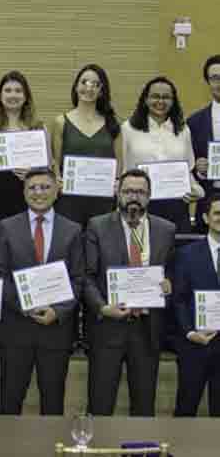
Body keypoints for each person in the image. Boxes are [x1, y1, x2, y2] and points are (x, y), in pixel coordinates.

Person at [84, 168, 175, 416]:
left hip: (148, 329)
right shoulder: (97, 226)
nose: (134, 197)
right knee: (100, 404)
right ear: (117, 193)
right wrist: (103, 307)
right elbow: (87, 276)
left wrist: (169, 284)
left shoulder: (166, 229)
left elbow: (172, 273)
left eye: (140, 192)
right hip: (108, 328)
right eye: (128, 191)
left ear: (149, 196)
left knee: (144, 407)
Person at [0, 169, 84, 415]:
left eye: (45, 187)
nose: (38, 193)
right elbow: (1, 276)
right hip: (16, 330)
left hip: (55, 332)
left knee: (53, 405)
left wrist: (58, 311)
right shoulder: (7, 227)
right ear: (24, 192)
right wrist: (25, 306)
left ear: (57, 191)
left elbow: (78, 279)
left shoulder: (73, 230)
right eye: (32, 187)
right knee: (10, 403)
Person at [121, 76, 203, 233]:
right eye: (155, 96)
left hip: (176, 205)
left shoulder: (183, 130)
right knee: (143, 247)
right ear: (145, 99)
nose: (160, 101)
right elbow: (122, 170)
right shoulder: (128, 129)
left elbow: (188, 170)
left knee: (178, 246)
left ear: (173, 101)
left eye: (166, 97)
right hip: (140, 204)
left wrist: (195, 190)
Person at [0, 71, 47, 232]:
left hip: (26, 198)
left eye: (18, 91)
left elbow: (48, 170)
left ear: (26, 96)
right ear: (0, 95)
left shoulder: (38, 128)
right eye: (8, 90)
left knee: (22, 244)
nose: (13, 95)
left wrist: (33, 172)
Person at [49, 64, 122, 227]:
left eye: (95, 84)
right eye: (84, 82)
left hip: (103, 201)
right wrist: (57, 180)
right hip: (69, 202)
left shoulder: (113, 124)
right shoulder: (61, 122)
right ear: (76, 87)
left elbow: (119, 166)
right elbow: (55, 165)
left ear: (101, 91)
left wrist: (117, 183)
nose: (89, 88)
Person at [172, 193, 220, 416]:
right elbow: (179, 299)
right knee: (185, 410)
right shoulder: (186, 254)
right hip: (195, 346)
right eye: (217, 213)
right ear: (206, 218)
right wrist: (190, 332)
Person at [189, 55, 220, 233]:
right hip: (209, 199)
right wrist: (198, 169)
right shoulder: (194, 122)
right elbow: (188, 163)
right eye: (214, 78)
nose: (219, 83)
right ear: (208, 82)